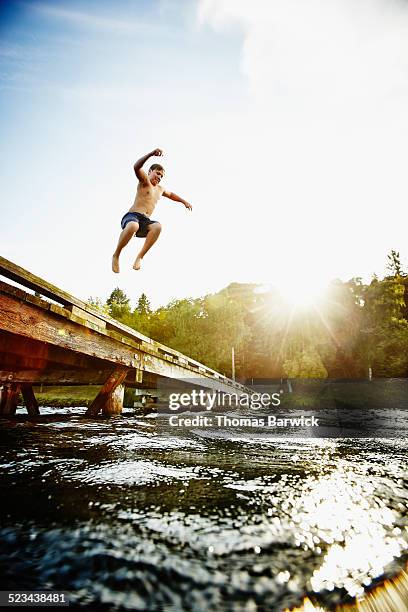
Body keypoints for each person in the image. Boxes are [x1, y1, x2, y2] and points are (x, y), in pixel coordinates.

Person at [112, 148, 193, 273]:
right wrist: (150, 154)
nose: (159, 177)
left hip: (145, 221)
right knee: (133, 225)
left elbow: (171, 195)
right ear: (150, 172)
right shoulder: (144, 181)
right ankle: (116, 255)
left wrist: (184, 201)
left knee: (157, 227)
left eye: (161, 175)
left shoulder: (160, 189)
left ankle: (139, 257)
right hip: (132, 216)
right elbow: (136, 167)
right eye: (157, 173)